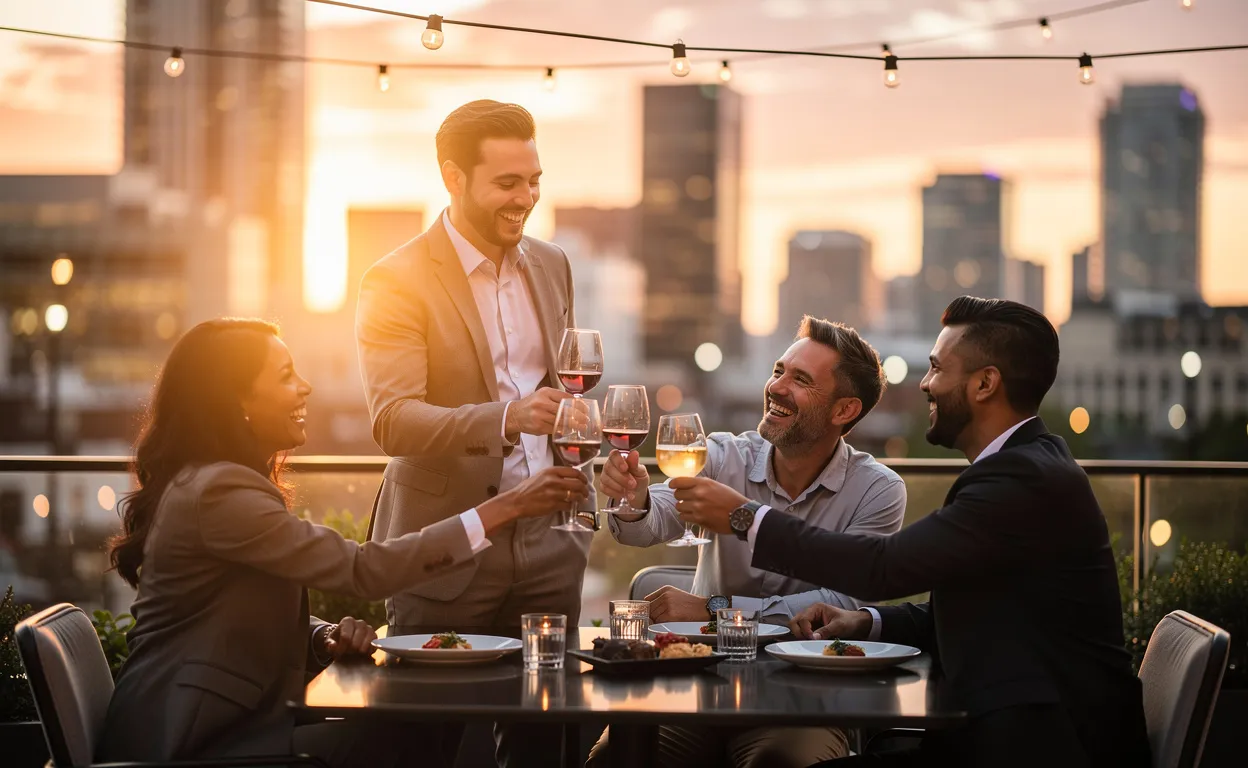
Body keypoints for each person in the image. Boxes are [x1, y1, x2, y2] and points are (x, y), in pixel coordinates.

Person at [95, 319, 588, 768]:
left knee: (407, 730)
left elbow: (231, 610)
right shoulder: (219, 493)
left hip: (223, 722)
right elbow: (363, 570)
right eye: (286, 375)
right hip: (189, 739)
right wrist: (506, 507)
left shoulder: (215, 484)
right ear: (238, 401)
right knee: (404, 737)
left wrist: (319, 636)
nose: (305, 386)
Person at [682, 297, 1152, 768]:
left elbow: (883, 566)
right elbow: (987, 608)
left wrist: (746, 517)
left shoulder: (1022, 479)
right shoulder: (1027, 466)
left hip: (1040, 745)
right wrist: (869, 623)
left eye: (936, 369)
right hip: (1002, 730)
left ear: (985, 384)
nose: (925, 385)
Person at [354, 99, 590, 767]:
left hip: (549, 547)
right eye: (508, 184)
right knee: (421, 742)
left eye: (535, 179)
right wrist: (507, 418)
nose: (528, 198)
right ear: (454, 179)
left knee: (547, 746)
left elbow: (566, 386)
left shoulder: (552, 265)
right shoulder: (395, 279)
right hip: (446, 546)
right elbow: (393, 419)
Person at [588, 317, 907, 768]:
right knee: (615, 758)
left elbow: (841, 602)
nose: (776, 387)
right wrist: (633, 495)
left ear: (844, 411)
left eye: (800, 380)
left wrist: (714, 611)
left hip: (805, 700)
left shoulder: (877, 490)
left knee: (780, 762)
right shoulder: (723, 454)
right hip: (698, 685)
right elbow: (648, 523)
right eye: (778, 371)